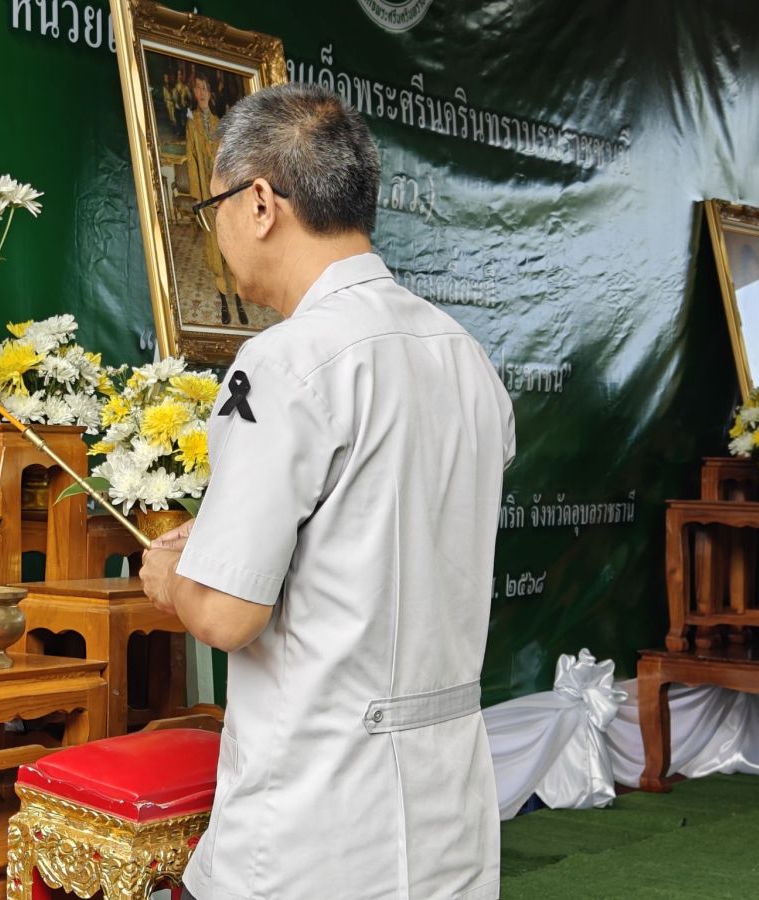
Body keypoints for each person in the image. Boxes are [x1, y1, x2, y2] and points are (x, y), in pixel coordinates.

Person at [141, 82, 515, 900]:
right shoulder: (464, 356)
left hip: (315, 822)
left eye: (212, 208)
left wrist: (174, 575)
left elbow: (227, 614)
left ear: (260, 203)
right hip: (448, 810)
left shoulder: (285, 362)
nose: (215, 234)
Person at [184, 71, 247, 326]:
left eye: (204, 88)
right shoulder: (192, 125)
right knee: (214, 251)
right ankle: (223, 302)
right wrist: (198, 197)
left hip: (224, 198)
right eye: (197, 88)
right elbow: (192, 159)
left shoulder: (220, 123)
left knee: (231, 248)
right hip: (206, 199)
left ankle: (239, 300)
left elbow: (228, 162)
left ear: (210, 93)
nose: (201, 92)